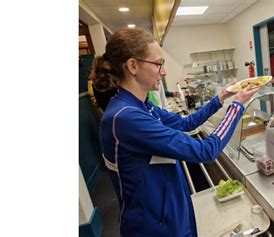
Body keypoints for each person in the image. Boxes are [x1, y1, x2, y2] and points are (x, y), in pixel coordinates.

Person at [89, 27, 261, 237]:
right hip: (154, 226)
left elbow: (186, 123)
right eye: (158, 64)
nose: (164, 71)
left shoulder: (142, 106)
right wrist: (237, 107)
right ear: (133, 66)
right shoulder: (125, 118)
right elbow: (205, 151)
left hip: (172, 212)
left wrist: (221, 98)